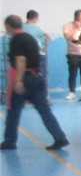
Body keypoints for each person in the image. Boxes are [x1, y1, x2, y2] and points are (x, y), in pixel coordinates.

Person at [2, 15, 69, 151]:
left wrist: (18, 80)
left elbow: (21, 60)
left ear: (8, 26)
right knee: (44, 111)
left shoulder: (17, 39)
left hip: (25, 78)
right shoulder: (30, 38)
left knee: (13, 111)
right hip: (37, 78)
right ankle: (60, 137)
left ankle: (9, 141)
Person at [62, 9, 81, 100]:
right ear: (77, 17)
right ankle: (72, 92)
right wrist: (77, 29)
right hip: (72, 54)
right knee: (72, 74)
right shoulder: (67, 26)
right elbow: (69, 37)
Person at [23, 10, 50, 80]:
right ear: (35, 18)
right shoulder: (37, 29)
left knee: (28, 74)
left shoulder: (21, 27)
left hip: (25, 56)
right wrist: (45, 48)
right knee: (42, 74)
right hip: (39, 54)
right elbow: (48, 38)